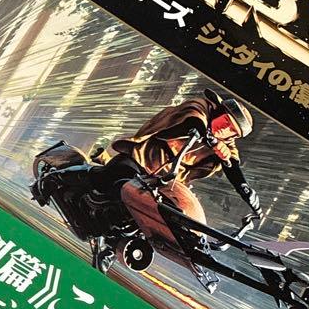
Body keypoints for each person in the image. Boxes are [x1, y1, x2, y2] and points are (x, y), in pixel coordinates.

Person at [90, 91, 259, 269]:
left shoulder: (225, 142)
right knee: (112, 187)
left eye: (232, 130)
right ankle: (100, 229)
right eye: (225, 121)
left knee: (159, 218)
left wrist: (244, 188)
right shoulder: (201, 108)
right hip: (139, 161)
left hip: (162, 183)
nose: (225, 129)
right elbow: (192, 120)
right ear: (219, 112)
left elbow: (232, 164)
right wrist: (210, 140)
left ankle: (113, 248)